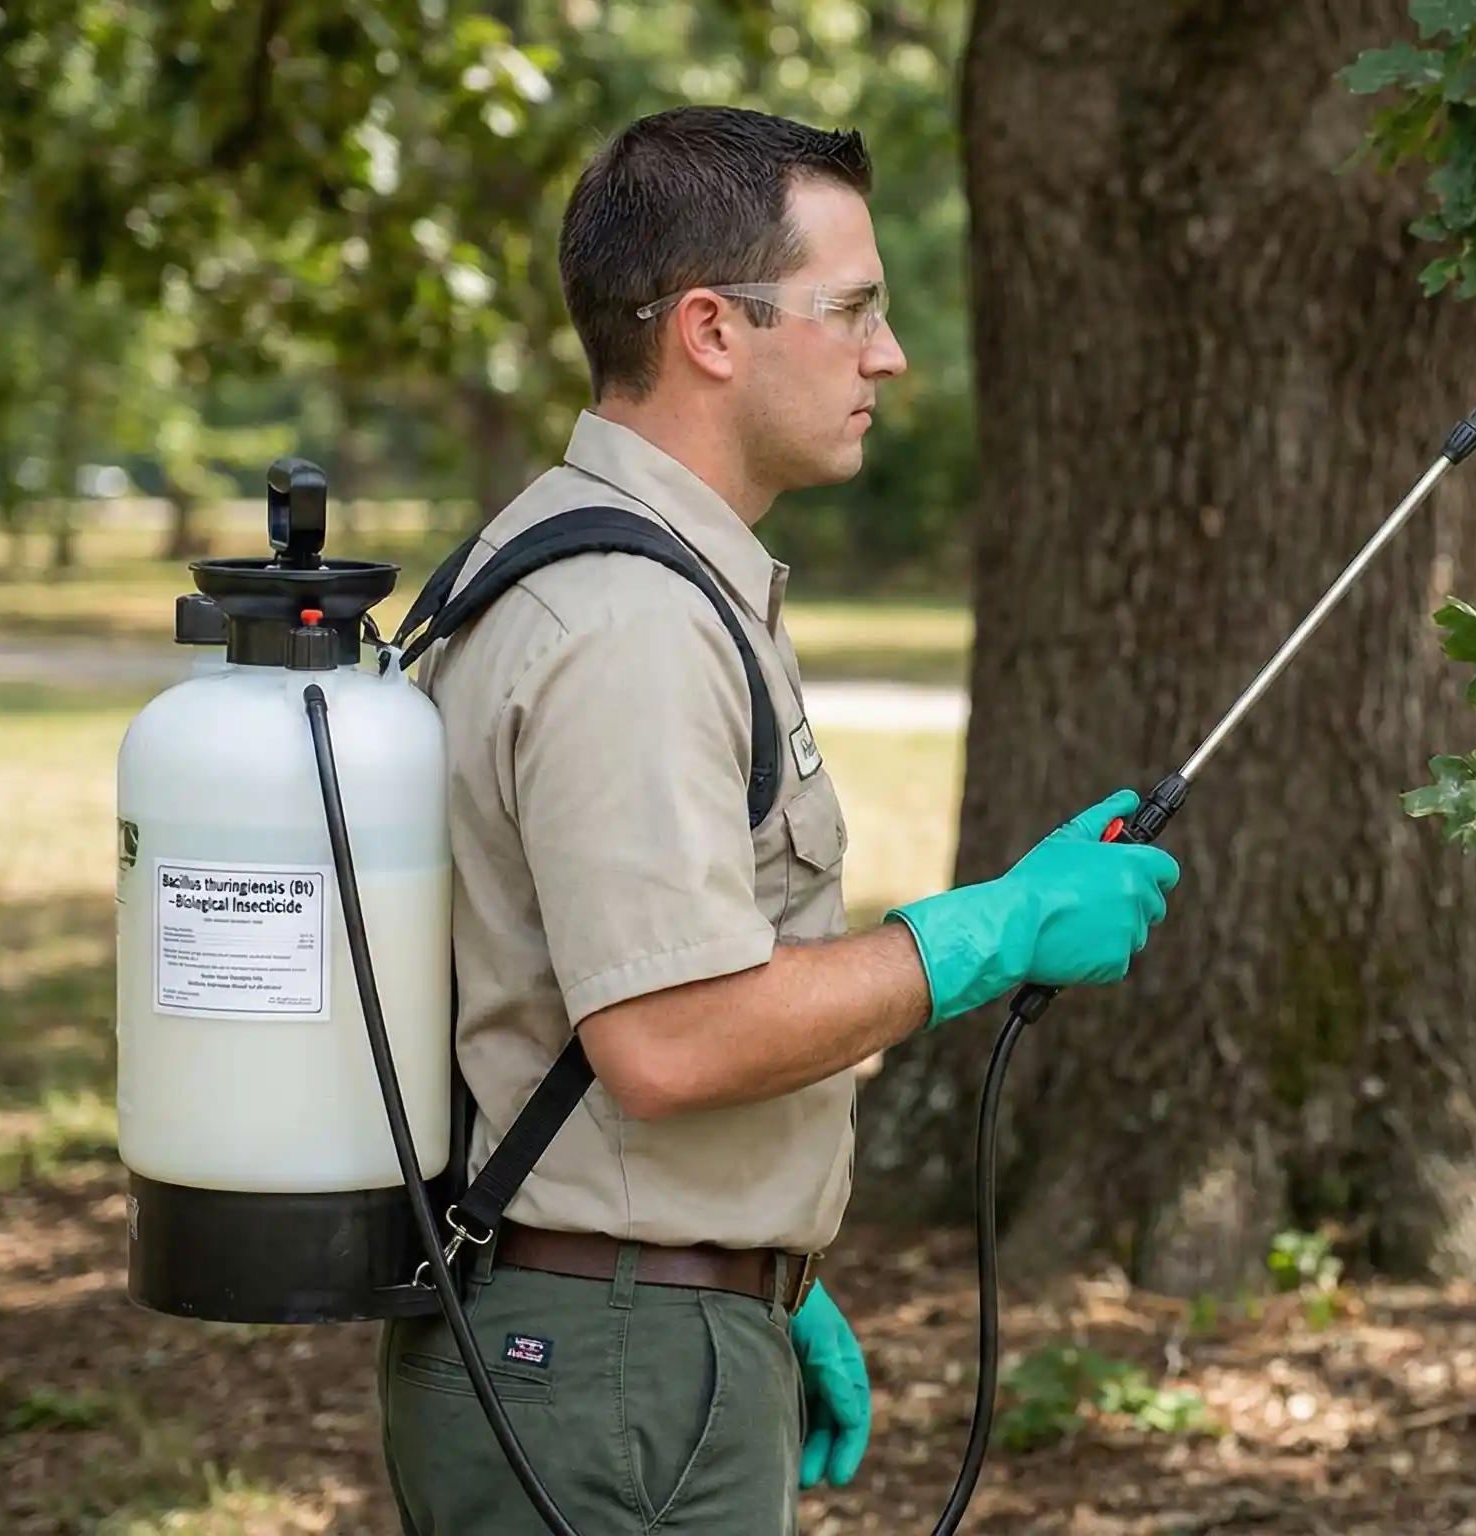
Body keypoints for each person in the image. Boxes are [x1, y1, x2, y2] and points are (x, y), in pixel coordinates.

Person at [377, 105, 1181, 1534]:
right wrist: (989, 931)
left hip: (628, 1329)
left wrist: (763, 1275)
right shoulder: (627, 623)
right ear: (710, 330)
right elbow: (670, 1038)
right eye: (854, 309)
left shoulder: (591, 560)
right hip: (606, 1370)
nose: (890, 354)